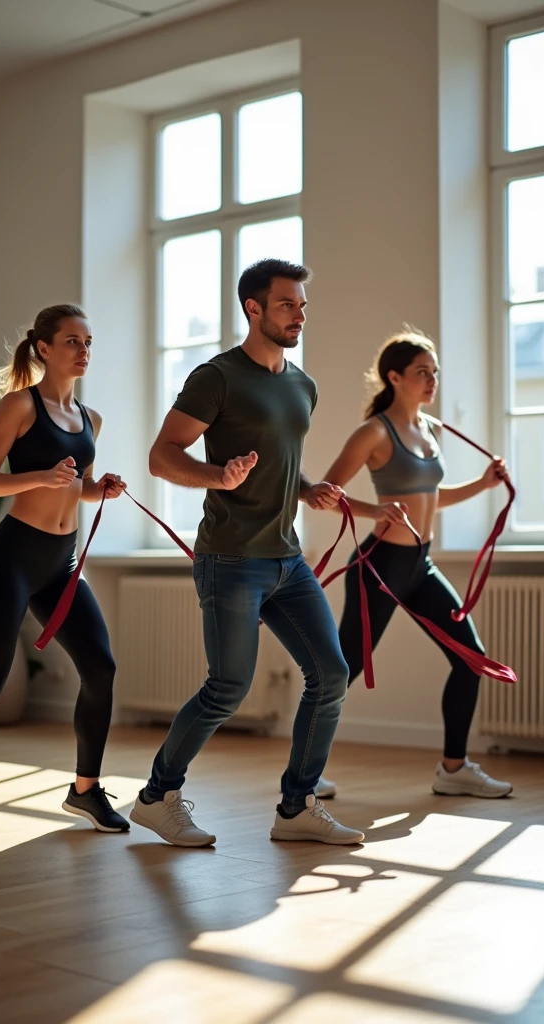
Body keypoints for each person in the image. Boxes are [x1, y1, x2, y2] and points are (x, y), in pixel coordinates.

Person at [129, 259, 364, 847]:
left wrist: (308, 489)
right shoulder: (218, 377)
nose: (299, 315)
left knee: (331, 674)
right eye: (287, 304)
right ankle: (158, 797)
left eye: (303, 304)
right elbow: (162, 456)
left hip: (287, 560)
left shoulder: (301, 384)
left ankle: (296, 808)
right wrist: (218, 476)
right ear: (253, 309)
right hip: (231, 559)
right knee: (228, 688)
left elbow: (279, 458)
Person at [0, 304, 130, 843]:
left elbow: (72, 486)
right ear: (44, 348)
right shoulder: (19, 406)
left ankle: (85, 789)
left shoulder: (90, 418)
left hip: (61, 562)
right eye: (72, 341)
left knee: (101, 667)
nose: (84, 351)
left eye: (88, 342)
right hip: (11, 558)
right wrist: (39, 475)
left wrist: (95, 488)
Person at [320, 329, 513, 799]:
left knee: (471, 660)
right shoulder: (374, 431)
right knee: (343, 670)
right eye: (422, 372)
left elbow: (429, 496)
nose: (432, 380)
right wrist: (376, 511)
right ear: (394, 377)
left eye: (436, 372)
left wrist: (483, 485)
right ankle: (303, 772)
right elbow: (325, 493)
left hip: (419, 565)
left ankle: (453, 768)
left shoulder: (431, 430)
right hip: (380, 564)